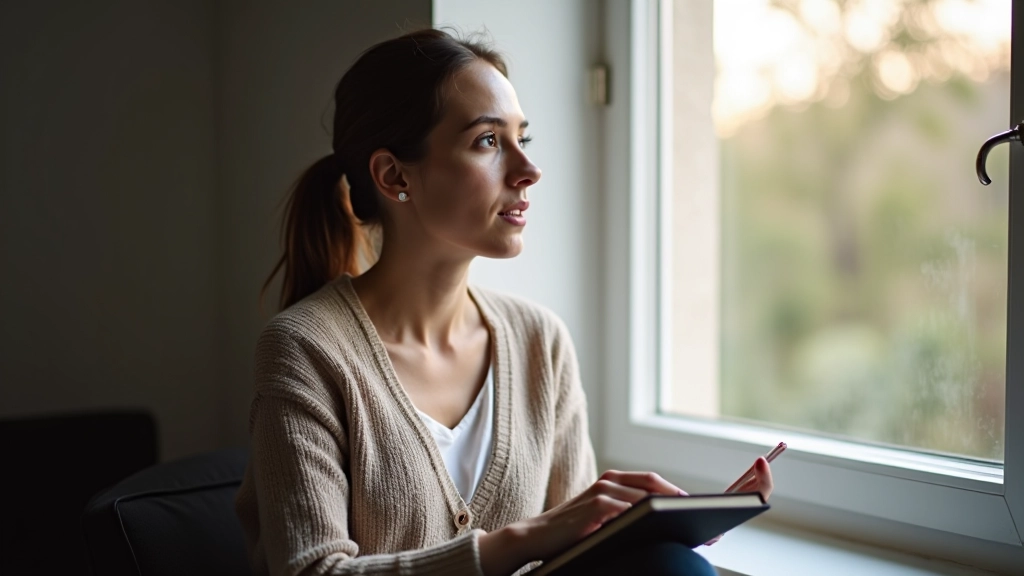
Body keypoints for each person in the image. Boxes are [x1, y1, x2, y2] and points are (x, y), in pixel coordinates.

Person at [233, 28, 774, 576]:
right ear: (395, 175)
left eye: (524, 139)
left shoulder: (541, 340)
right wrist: (523, 538)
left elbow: (577, 555)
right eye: (488, 141)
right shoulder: (304, 349)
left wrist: (662, 527)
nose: (528, 170)